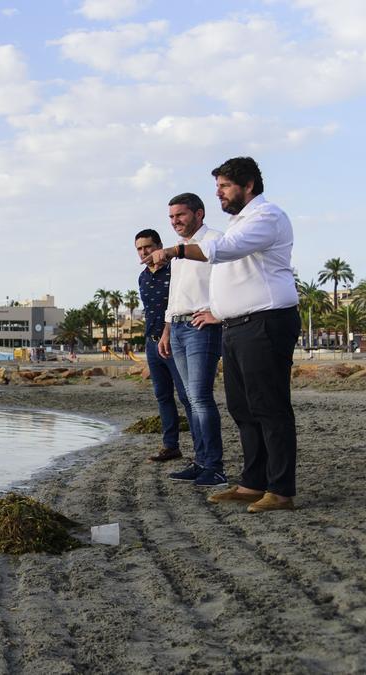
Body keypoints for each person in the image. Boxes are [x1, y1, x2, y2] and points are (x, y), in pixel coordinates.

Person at [144, 157, 301, 513]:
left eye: (225, 187)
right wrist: (219, 309)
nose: (219, 194)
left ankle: (280, 490)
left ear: (248, 186)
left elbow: (225, 251)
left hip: (266, 322)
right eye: (217, 187)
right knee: (242, 408)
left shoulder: (266, 217)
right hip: (236, 326)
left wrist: (173, 250)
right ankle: (252, 483)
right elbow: (227, 274)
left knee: (270, 407)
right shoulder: (236, 224)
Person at [161, 193, 226, 487]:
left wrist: (217, 312)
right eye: (172, 217)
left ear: (198, 213)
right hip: (177, 328)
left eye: (181, 215)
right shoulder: (178, 252)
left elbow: (229, 281)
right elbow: (175, 294)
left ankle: (214, 466)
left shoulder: (214, 240)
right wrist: (166, 330)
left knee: (200, 398)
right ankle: (200, 462)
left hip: (201, 329)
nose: (175, 222)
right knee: (189, 399)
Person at [135, 229, 192, 463]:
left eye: (148, 246)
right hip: (151, 344)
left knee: (188, 397)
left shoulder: (176, 269)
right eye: (139, 248)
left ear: (158, 245)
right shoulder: (143, 277)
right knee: (163, 397)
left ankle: (202, 450)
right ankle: (171, 446)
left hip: (175, 340)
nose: (144, 252)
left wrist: (169, 333)